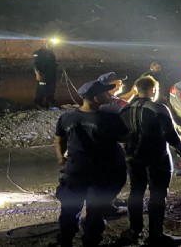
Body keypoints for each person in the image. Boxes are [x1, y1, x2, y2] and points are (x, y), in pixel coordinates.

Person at [55, 79, 128, 247]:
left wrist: (61, 159)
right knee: (95, 212)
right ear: (95, 98)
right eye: (105, 92)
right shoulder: (109, 118)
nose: (109, 94)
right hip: (101, 174)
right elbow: (125, 137)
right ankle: (90, 241)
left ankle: (65, 241)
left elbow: (58, 140)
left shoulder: (67, 117)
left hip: (74, 171)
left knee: (70, 209)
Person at [118, 76, 181, 246]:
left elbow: (119, 135)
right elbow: (170, 134)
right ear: (153, 89)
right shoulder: (159, 109)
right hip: (157, 157)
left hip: (132, 157)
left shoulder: (125, 109)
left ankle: (134, 231)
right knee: (158, 195)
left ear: (136, 89)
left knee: (136, 192)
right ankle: (155, 235)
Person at [33, 39, 57, 109]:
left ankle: (50, 103)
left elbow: (53, 63)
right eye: (47, 43)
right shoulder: (38, 53)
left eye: (49, 43)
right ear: (43, 43)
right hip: (42, 74)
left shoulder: (51, 53)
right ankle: (38, 104)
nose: (48, 44)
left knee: (51, 89)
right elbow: (35, 64)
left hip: (51, 75)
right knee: (41, 89)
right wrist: (37, 73)